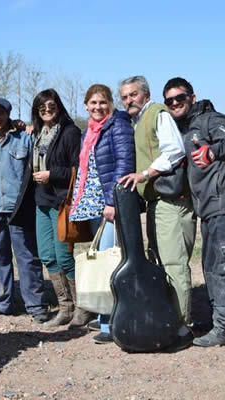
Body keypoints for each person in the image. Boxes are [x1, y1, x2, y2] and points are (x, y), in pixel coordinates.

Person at [163, 77, 225, 347]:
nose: (176, 103)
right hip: (210, 208)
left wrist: (213, 151)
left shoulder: (211, 119)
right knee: (211, 265)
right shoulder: (186, 127)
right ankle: (219, 319)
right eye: (170, 101)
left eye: (180, 97)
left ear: (192, 97)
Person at [118, 76, 196, 348]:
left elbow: (174, 151)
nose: (129, 100)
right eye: (125, 96)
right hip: (156, 202)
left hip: (171, 202)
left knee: (174, 264)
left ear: (145, 94)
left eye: (133, 95)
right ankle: (167, 320)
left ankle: (183, 328)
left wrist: (145, 174)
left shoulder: (157, 114)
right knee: (159, 263)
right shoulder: (139, 120)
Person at [0, 97, 49, 322]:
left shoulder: (24, 139)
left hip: (19, 209)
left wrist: (31, 127)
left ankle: (35, 305)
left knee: (28, 257)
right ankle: (2, 302)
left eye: (0, 113)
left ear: (8, 114)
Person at [68, 84, 135, 343]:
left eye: (103, 102)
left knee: (110, 261)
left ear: (111, 104)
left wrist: (113, 202)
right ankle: (106, 315)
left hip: (110, 205)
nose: (98, 107)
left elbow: (124, 162)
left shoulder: (117, 125)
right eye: (93, 103)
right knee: (104, 259)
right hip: (95, 205)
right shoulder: (90, 131)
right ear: (86, 105)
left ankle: (111, 323)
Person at [29, 89, 82, 327]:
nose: (47, 111)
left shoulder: (70, 133)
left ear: (58, 107)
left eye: (51, 107)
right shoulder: (39, 134)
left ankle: (80, 308)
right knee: (48, 256)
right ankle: (65, 308)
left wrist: (52, 174)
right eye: (42, 108)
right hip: (42, 202)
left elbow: (77, 169)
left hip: (61, 201)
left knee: (64, 256)